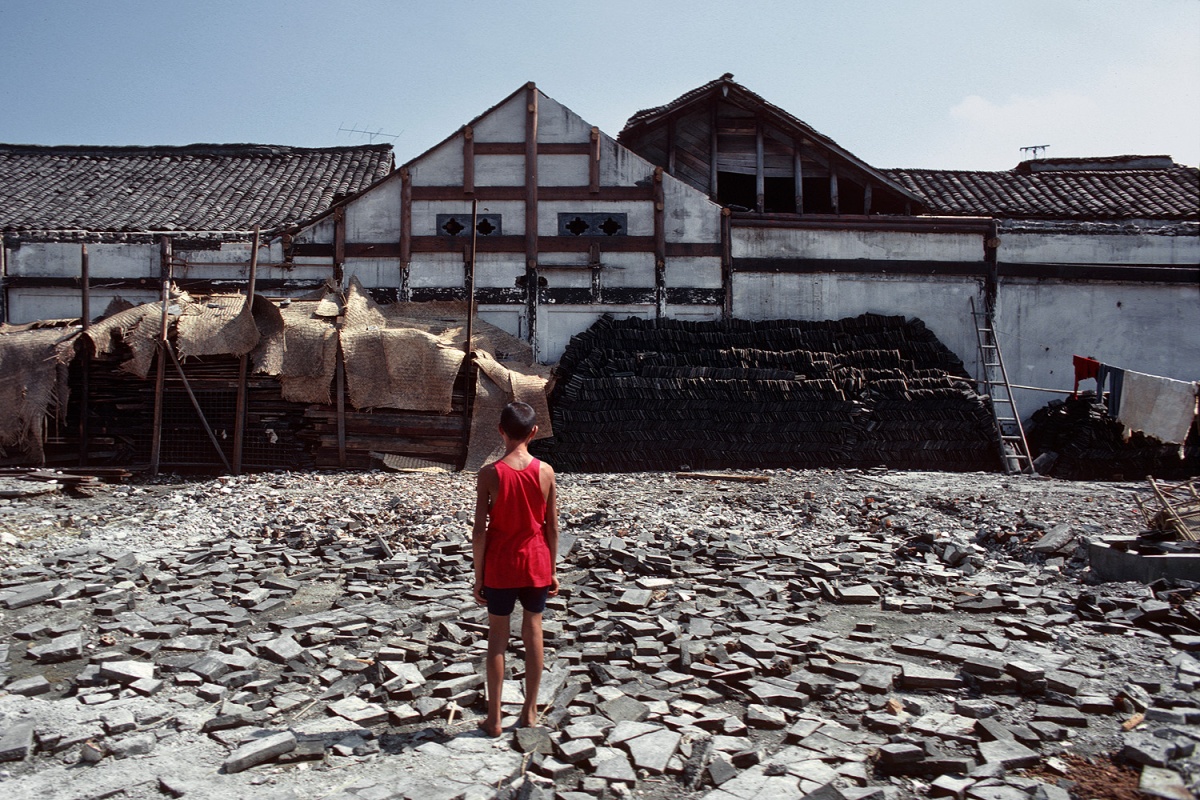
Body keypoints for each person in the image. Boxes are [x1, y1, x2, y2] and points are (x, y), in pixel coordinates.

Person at [472, 401, 560, 737]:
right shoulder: (546, 471)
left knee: (497, 640)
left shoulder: (490, 473)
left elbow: (480, 530)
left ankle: (494, 719)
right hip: (536, 563)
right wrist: (552, 569)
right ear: (534, 432)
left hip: (501, 565)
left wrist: (479, 577)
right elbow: (551, 527)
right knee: (533, 633)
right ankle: (530, 711)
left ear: (500, 431)